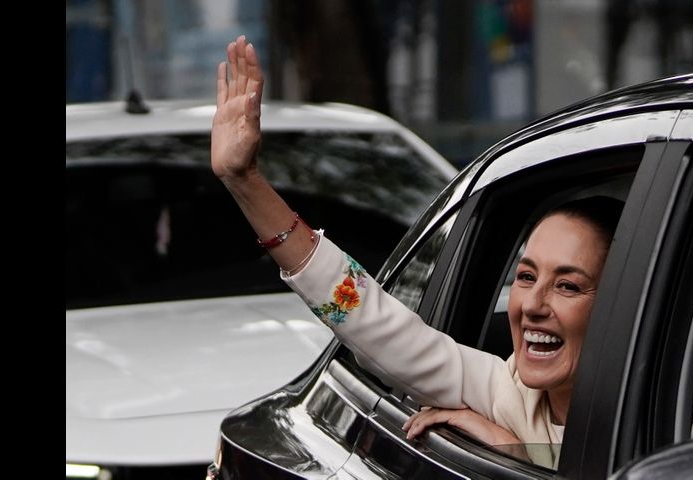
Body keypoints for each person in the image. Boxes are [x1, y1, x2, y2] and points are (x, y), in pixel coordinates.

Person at [212, 36, 623, 448]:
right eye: (526, 276)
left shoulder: (682, 429)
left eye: (567, 285)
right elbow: (368, 319)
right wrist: (244, 180)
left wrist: (512, 452)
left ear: (624, 306)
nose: (532, 306)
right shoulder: (509, 393)